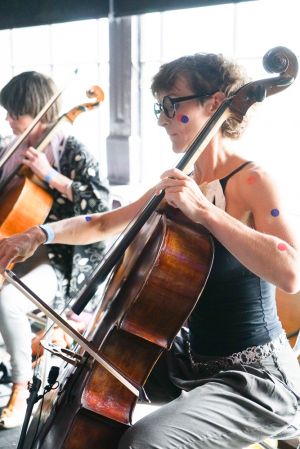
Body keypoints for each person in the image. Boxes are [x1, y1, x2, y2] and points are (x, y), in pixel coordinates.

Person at [0, 53, 299, 448]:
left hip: (256, 379)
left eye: (171, 105)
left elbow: (291, 272)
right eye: (159, 107)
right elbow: (105, 222)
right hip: (191, 359)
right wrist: (37, 234)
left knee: (146, 441)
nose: (161, 118)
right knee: (87, 381)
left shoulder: (252, 180)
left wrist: (206, 213)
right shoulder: (180, 183)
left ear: (214, 103)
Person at [0, 71, 110, 429]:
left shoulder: (69, 149)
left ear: (37, 110)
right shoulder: (10, 150)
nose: (7, 119)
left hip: (63, 260)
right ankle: (31, 351)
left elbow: (100, 203)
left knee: (8, 302)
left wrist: (50, 175)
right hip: (20, 252)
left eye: (14, 112)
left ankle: (21, 385)